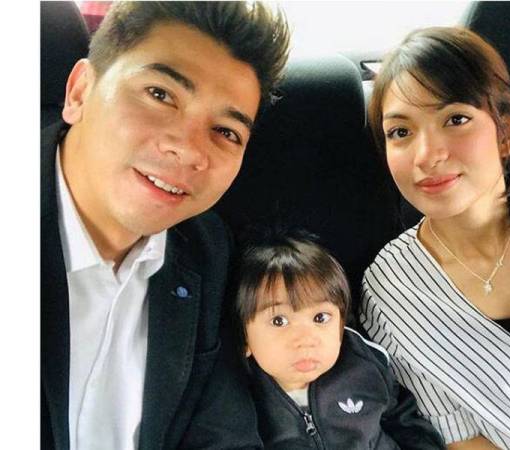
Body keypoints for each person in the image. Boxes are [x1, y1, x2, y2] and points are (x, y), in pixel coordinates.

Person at [41, 2, 290, 449]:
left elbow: (222, 431)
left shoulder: (207, 252)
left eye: (226, 132)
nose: (189, 150)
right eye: (160, 95)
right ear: (79, 92)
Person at [360, 27, 510, 450]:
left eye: (455, 119)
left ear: (505, 133)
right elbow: (461, 437)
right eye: (400, 132)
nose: (426, 155)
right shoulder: (391, 290)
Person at [232, 230, 446, 450]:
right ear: (244, 337)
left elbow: (405, 422)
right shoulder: (239, 399)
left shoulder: (364, 362)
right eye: (279, 321)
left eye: (320, 318)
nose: (306, 340)